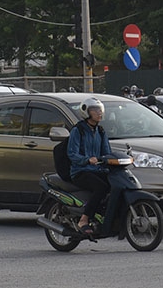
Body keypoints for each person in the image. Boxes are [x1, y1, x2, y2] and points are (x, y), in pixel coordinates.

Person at [67, 98, 112, 235]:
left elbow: (107, 152)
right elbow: (72, 153)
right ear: (86, 112)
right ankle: (84, 219)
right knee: (101, 187)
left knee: (116, 183)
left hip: (97, 170)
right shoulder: (78, 130)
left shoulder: (101, 131)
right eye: (95, 110)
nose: (99, 113)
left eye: (100, 110)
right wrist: (87, 160)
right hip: (81, 171)